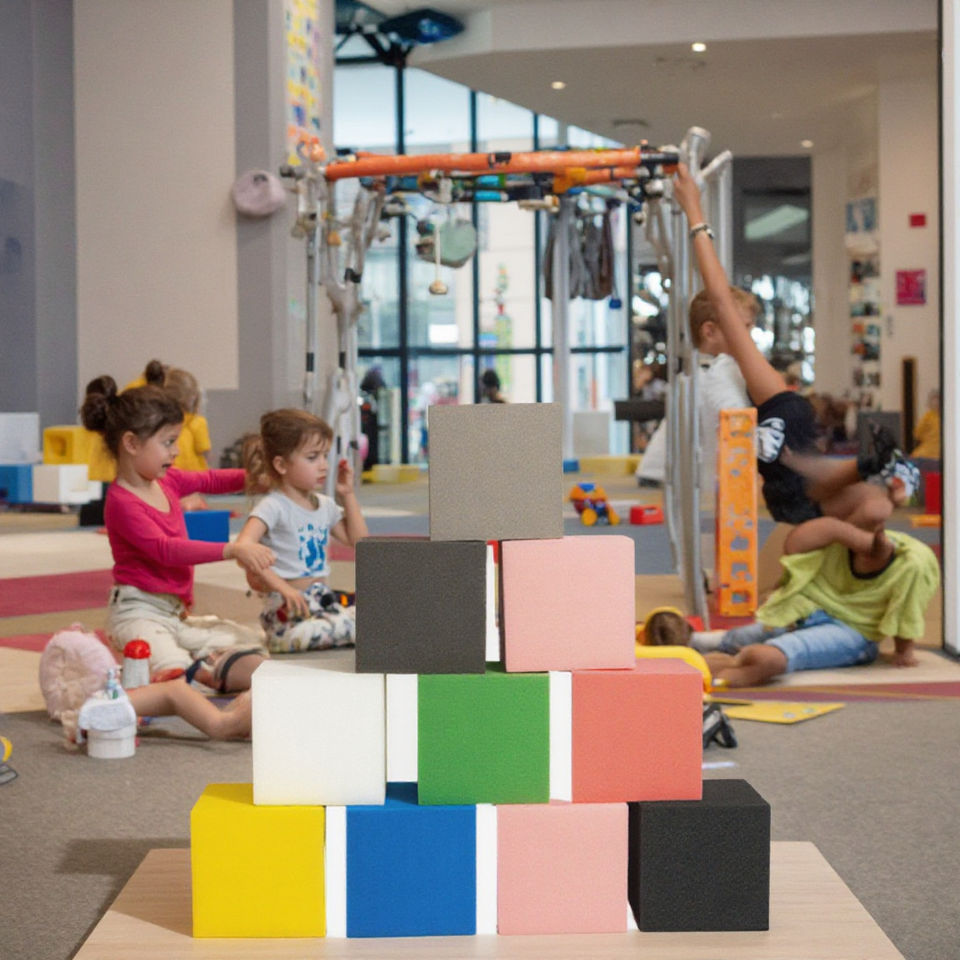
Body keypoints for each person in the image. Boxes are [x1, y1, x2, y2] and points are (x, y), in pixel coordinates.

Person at [673, 163, 919, 529]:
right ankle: (874, 463)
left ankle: (877, 474)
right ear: (712, 331)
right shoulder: (722, 368)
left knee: (878, 508)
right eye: (742, 327)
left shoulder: (730, 371)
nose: (748, 336)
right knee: (871, 499)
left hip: (801, 474)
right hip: (793, 476)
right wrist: (694, 212)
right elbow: (720, 297)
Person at [80, 376, 274, 689]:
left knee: (252, 641)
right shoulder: (122, 502)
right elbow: (166, 550)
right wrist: (232, 549)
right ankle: (174, 670)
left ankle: (198, 668)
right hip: (137, 615)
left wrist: (256, 479)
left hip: (176, 615)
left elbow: (211, 480)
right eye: (168, 442)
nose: (176, 450)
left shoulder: (167, 481)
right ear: (131, 443)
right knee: (173, 668)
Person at [693, 518, 940, 688]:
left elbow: (907, 608)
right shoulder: (835, 540)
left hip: (854, 631)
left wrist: (904, 650)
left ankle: (734, 667)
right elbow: (798, 552)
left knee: (776, 654)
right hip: (811, 609)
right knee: (751, 634)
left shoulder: (912, 564)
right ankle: (703, 642)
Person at [236, 408, 369, 653]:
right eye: (312, 457)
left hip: (321, 604)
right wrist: (283, 587)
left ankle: (342, 624)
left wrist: (348, 494)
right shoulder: (274, 506)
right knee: (360, 627)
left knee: (375, 615)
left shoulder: (325, 505)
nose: (323, 465)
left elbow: (360, 542)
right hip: (288, 613)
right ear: (281, 465)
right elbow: (243, 549)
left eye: (325, 456)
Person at [911, 388, 941, 459]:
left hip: (933, 453)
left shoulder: (950, 418)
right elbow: (917, 434)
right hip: (926, 452)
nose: (936, 402)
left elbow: (917, 435)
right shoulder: (928, 416)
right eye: (934, 399)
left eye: (938, 399)